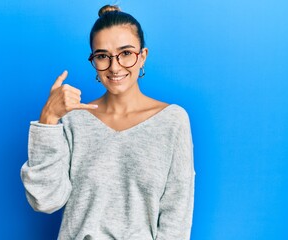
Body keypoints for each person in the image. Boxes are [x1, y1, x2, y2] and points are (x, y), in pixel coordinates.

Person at [21, 5, 195, 240]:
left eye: (126, 53)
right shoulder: (74, 120)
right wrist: (49, 118)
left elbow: (177, 217)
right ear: (93, 60)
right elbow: (45, 200)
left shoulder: (172, 121)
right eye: (103, 56)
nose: (114, 67)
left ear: (142, 56)